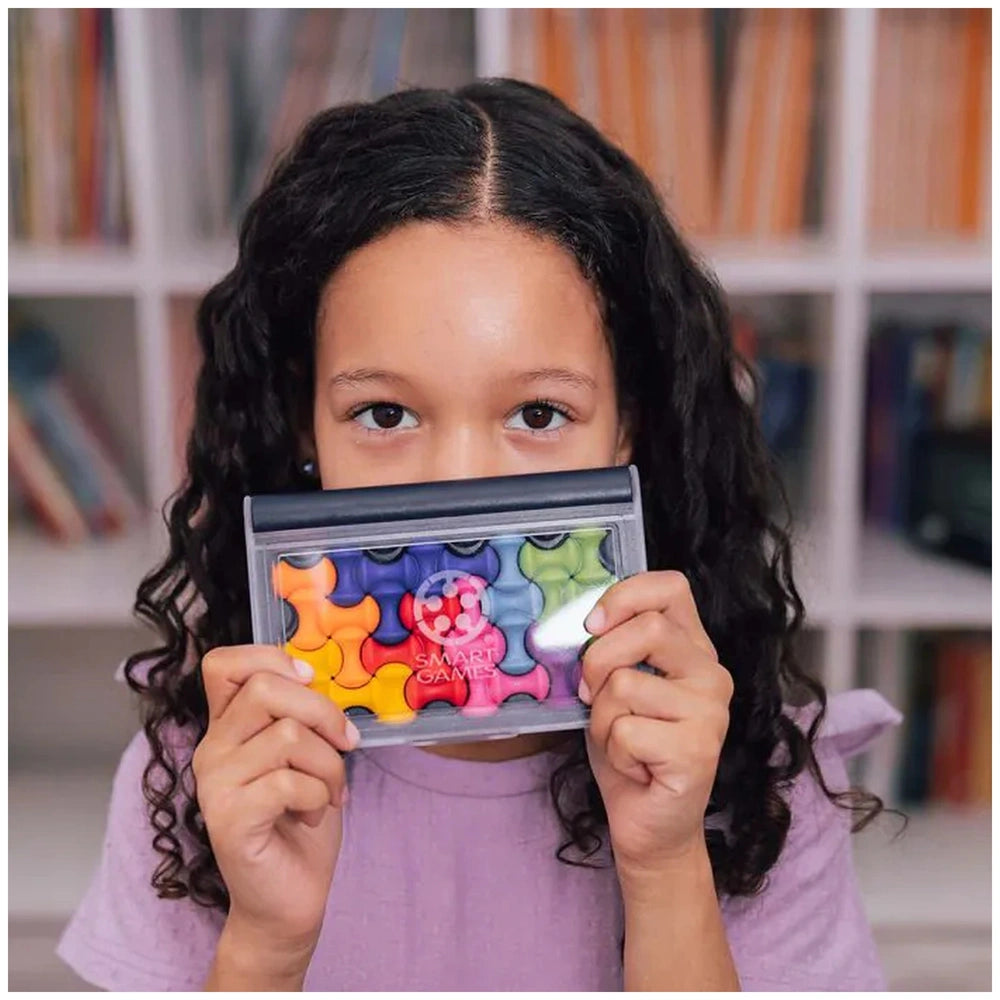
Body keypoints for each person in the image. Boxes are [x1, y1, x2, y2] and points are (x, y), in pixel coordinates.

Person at [57, 78, 903, 991]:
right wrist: (266, 941)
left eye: (538, 411)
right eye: (384, 413)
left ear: (630, 428)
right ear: (306, 426)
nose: (461, 483)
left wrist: (664, 874)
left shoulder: (753, 774)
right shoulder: (208, 772)